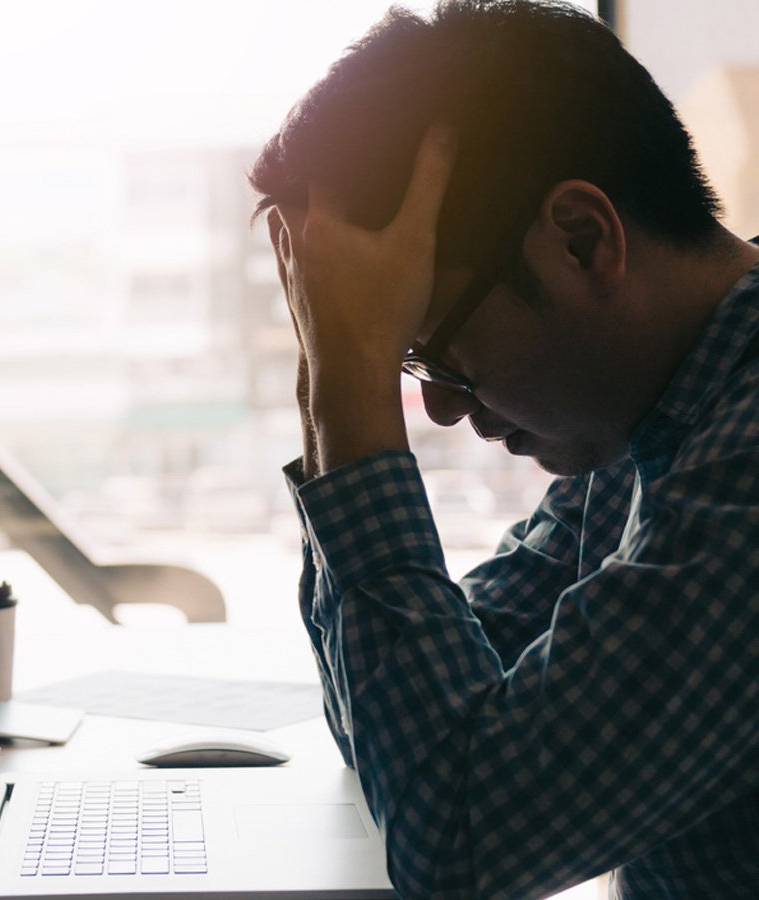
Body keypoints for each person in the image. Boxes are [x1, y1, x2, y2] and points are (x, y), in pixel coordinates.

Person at [250, 1, 759, 897]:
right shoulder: (659, 415)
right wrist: (333, 367)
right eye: (406, 357)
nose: (439, 408)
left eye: (431, 345)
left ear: (582, 238)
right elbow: (409, 729)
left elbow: (456, 840)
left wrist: (351, 386)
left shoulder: (744, 469)